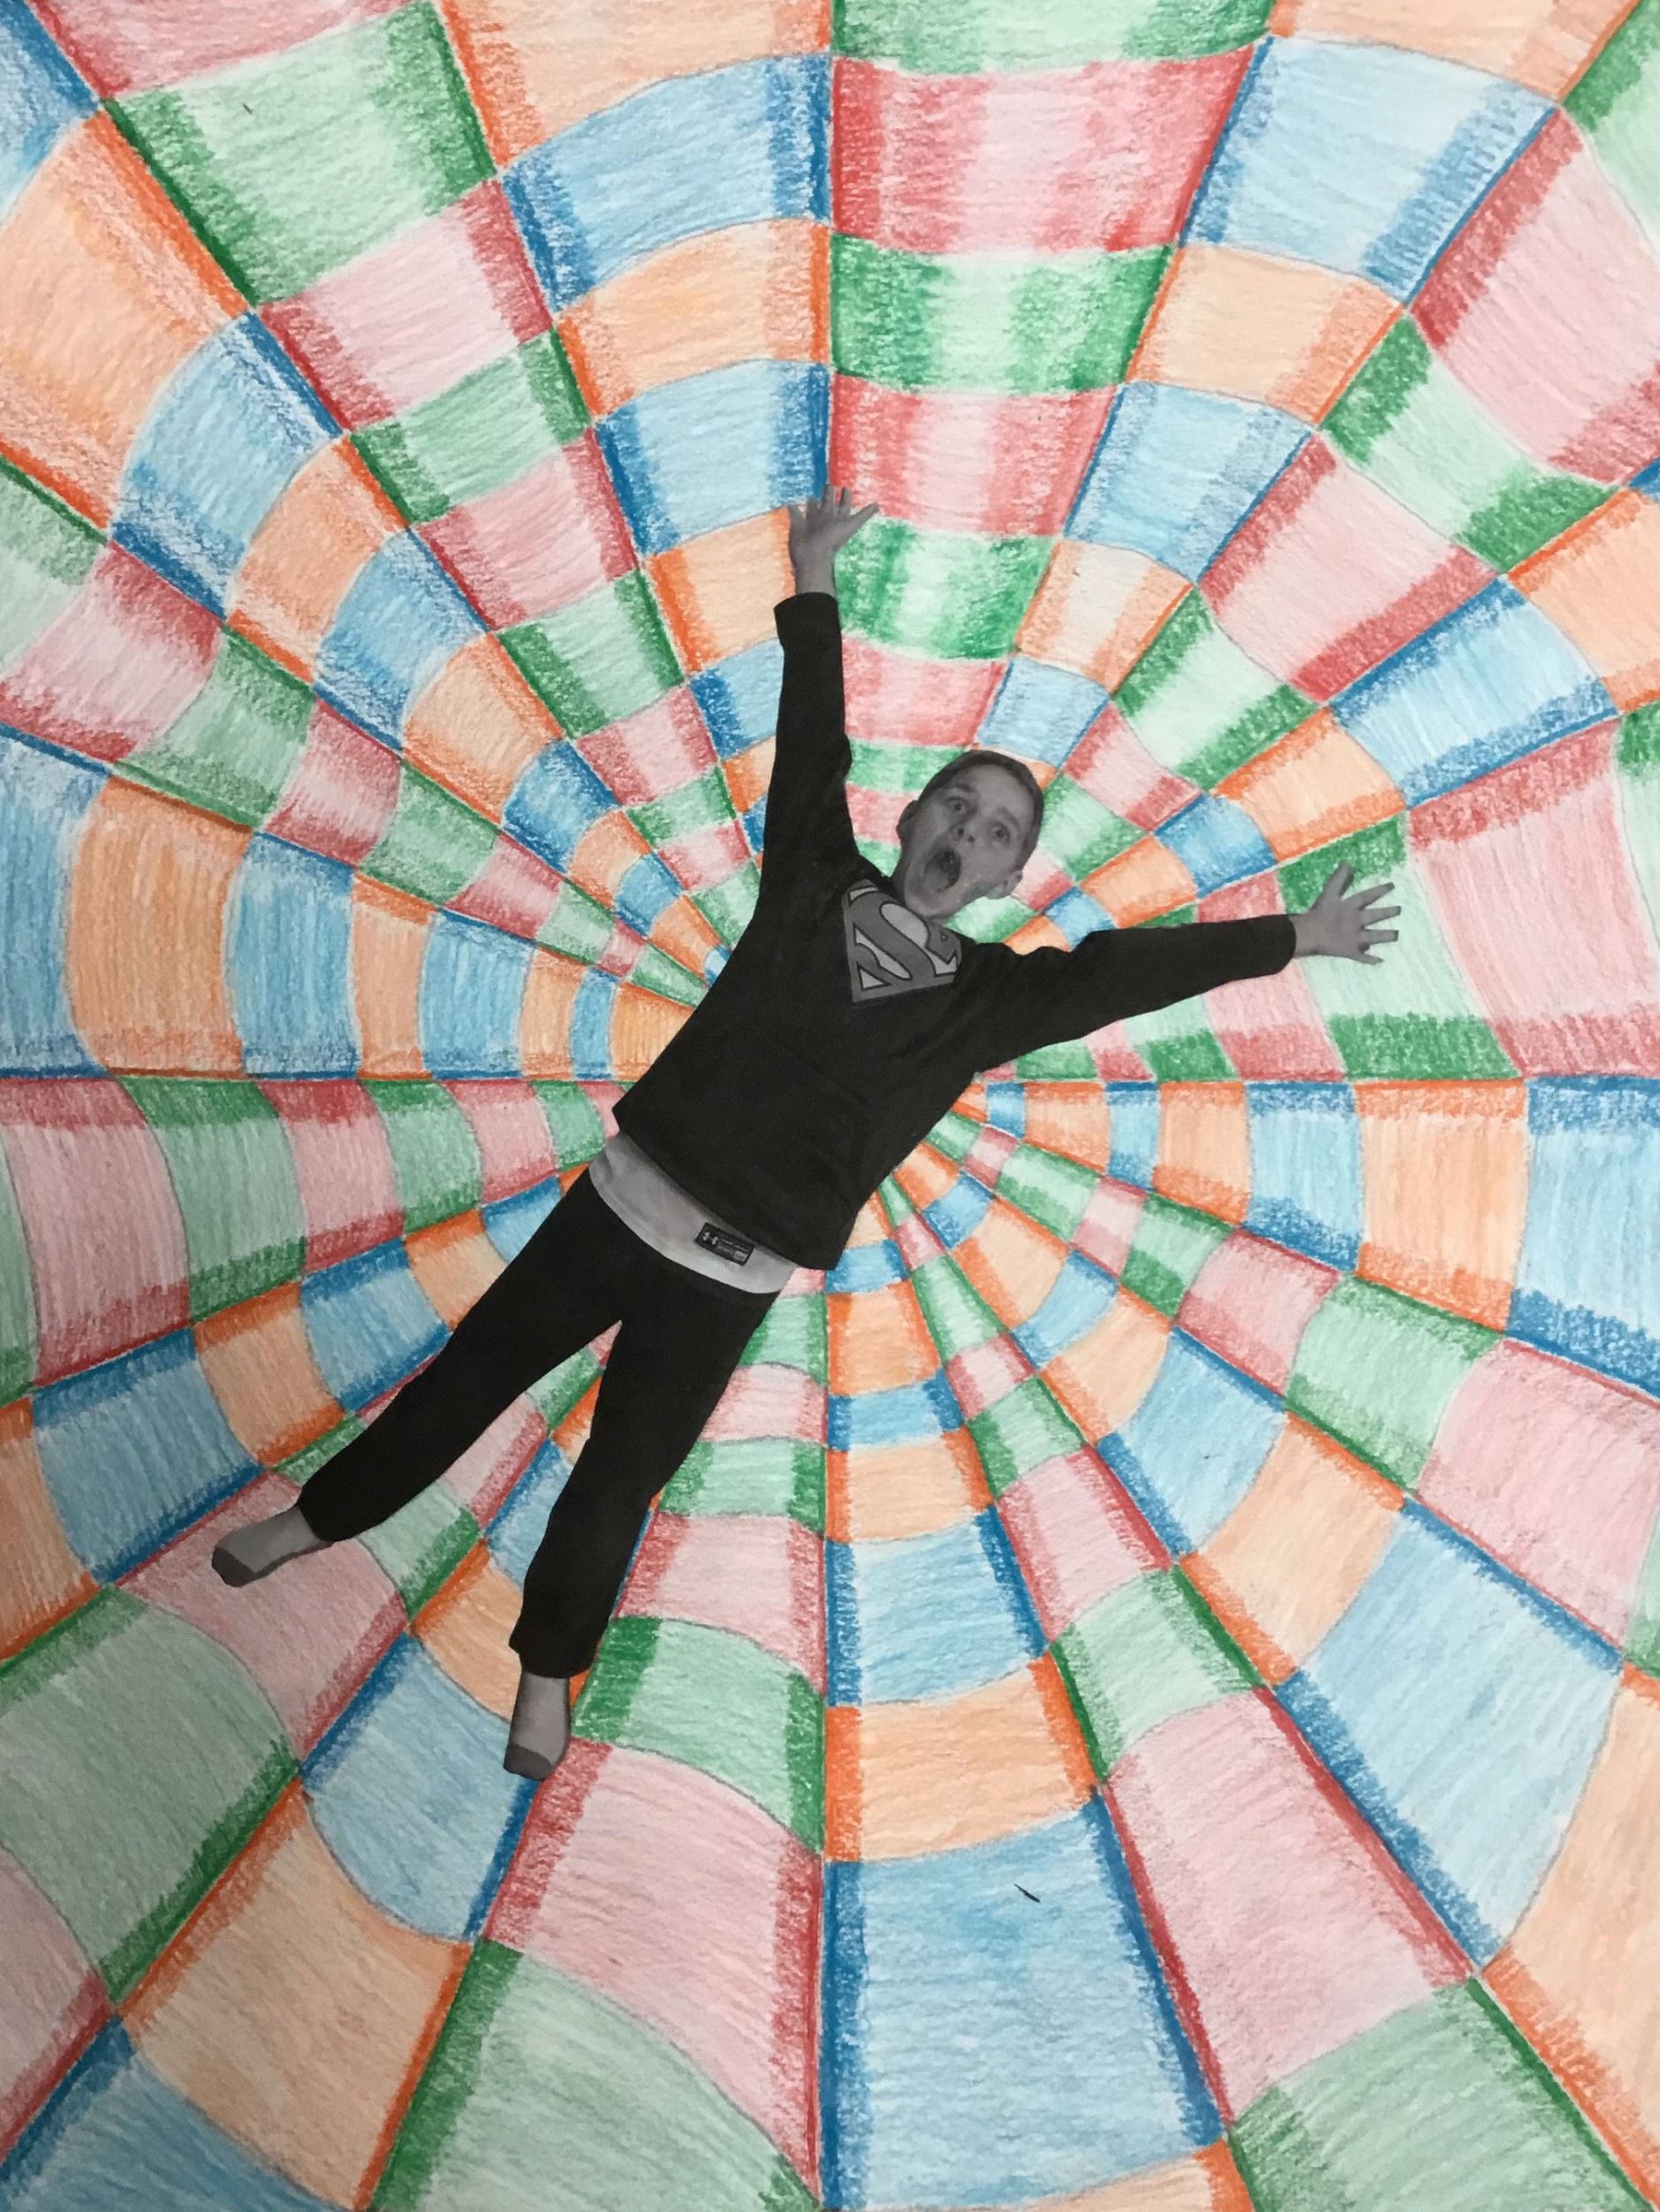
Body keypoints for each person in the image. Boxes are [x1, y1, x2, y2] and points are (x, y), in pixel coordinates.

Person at [212, 488, 1399, 1778]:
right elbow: (815, 739)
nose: (971, 832)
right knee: (468, 1380)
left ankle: (547, 1669)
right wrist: (812, 576)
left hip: (731, 1274)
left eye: (999, 834)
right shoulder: (814, 881)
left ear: (1007, 880)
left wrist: (1297, 936)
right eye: (958, 807)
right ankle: (314, 1524)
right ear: (911, 821)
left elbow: (1127, 973)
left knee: (619, 1479)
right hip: (622, 1205)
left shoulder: (990, 1002)